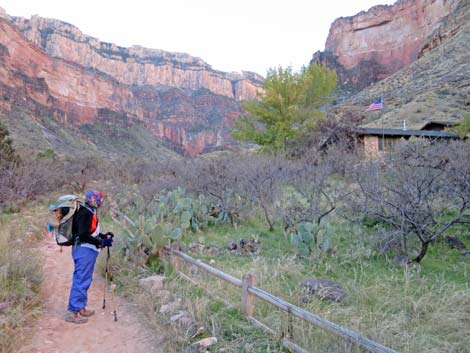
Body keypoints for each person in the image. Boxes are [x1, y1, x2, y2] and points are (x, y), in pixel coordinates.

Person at [65, 190, 114, 324]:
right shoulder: (86, 213)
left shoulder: (87, 211)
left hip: (84, 249)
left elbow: (89, 232)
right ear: (94, 200)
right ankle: (72, 312)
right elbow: (83, 234)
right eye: (98, 199)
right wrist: (101, 242)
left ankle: (81, 307)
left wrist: (103, 236)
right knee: (81, 279)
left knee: (85, 279)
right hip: (84, 250)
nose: (99, 202)